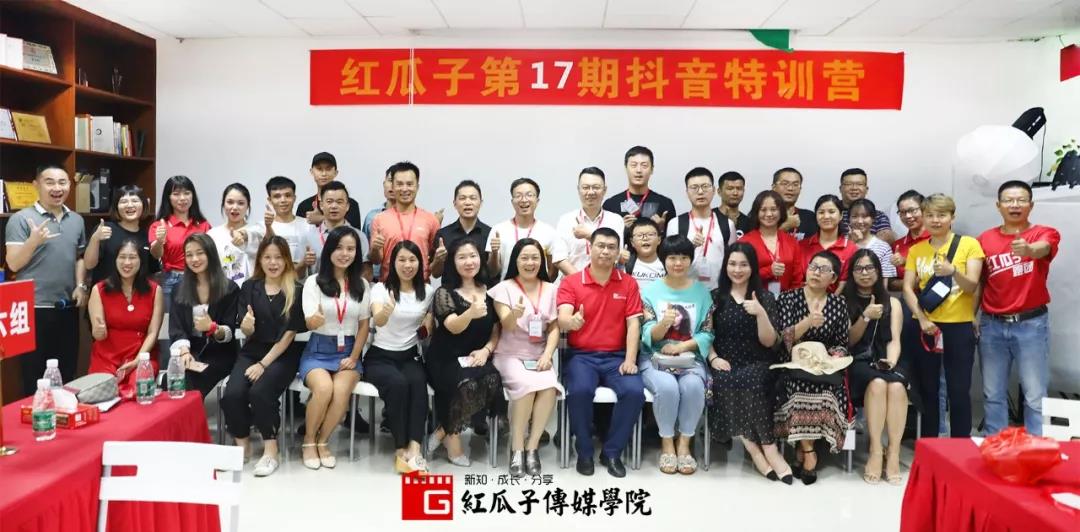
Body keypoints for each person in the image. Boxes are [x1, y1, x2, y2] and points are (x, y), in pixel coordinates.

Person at [557, 227, 644, 478]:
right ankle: (584, 451)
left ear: (618, 253)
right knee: (580, 391)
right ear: (590, 248)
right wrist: (571, 322)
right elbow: (562, 317)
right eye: (600, 246)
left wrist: (630, 359)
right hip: (582, 356)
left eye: (611, 247)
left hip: (617, 356)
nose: (605, 251)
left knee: (634, 392)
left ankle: (612, 452)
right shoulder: (572, 282)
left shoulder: (628, 283)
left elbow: (633, 324)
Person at [977, 180, 1059, 436]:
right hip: (991, 325)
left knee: (1035, 395)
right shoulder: (984, 239)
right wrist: (972, 316)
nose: (1015, 205)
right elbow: (981, 282)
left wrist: (1028, 249)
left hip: (1031, 325)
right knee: (992, 393)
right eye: (1009, 200)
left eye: (1021, 200)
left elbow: (1043, 249)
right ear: (998, 205)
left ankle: (1037, 448)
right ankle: (996, 445)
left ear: (1031, 205)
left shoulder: (1045, 233)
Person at [708, 242, 792, 484]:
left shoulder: (765, 297)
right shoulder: (715, 297)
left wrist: (760, 313)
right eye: (732, 264)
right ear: (725, 266)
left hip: (759, 361)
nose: (737, 270)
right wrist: (713, 358)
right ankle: (756, 451)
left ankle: (768, 448)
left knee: (752, 381)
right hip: (725, 361)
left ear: (753, 267)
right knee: (725, 381)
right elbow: (706, 334)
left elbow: (769, 342)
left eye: (743, 264)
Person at [222, 236, 306, 477]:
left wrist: (263, 364)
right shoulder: (250, 287)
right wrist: (247, 325)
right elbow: (245, 328)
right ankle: (243, 444)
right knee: (233, 394)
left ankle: (271, 450)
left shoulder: (296, 289)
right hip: (252, 350)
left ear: (287, 260)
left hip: (283, 354)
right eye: (267, 257)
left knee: (260, 392)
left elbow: (289, 335)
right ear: (259, 260)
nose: (273, 262)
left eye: (278, 257)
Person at [902, 194, 984, 438]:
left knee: (958, 389)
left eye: (941, 215)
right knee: (928, 389)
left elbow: (971, 286)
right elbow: (907, 288)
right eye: (930, 215)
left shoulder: (969, 244)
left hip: (959, 326)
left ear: (952, 217)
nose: (935, 220)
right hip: (926, 326)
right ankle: (930, 444)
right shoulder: (917, 250)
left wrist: (953, 271)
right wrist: (922, 318)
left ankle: (960, 445)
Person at [5, 165, 88, 394]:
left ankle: (64, 416)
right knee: (34, 378)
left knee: (67, 374)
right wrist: (33, 241)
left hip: (67, 307)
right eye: (49, 182)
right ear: (36, 185)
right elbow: (13, 264)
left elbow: (79, 258)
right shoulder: (21, 219)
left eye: (62, 182)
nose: (57, 188)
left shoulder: (77, 220)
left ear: (69, 185)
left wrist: (81, 285)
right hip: (33, 309)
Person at [774, 251, 851, 485]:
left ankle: (801, 447)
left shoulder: (838, 303)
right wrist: (808, 322)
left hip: (823, 366)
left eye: (823, 269)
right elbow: (782, 339)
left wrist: (833, 356)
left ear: (833, 278)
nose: (816, 272)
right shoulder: (788, 298)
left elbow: (842, 343)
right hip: (792, 363)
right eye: (813, 267)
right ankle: (809, 453)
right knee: (798, 388)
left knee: (828, 391)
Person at [638, 235, 713, 475]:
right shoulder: (650, 291)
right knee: (667, 387)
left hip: (690, 358)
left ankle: (685, 443)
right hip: (655, 358)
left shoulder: (702, 292)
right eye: (672, 258)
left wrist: (681, 347)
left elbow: (707, 333)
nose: (678, 263)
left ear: (690, 260)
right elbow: (646, 333)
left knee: (693, 386)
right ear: (663, 260)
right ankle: (667, 442)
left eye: (683, 257)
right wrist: (664, 324)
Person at [298, 226, 370, 470]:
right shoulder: (313, 282)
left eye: (350, 249)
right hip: (318, 349)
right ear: (329, 250)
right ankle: (309, 441)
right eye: (339, 248)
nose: (344, 253)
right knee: (323, 388)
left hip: (349, 350)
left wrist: (354, 357)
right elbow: (309, 321)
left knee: (340, 392)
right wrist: (314, 320)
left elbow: (363, 326)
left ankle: (323, 441)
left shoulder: (361, 285)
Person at [489, 238, 563, 477]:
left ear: (541, 261)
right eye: (524, 258)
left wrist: (548, 354)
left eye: (535, 258)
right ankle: (517, 447)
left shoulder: (551, 289)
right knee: (528, 387)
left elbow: (554, 328)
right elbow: (507, 325)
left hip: (539, 354)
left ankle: (532, 447)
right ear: (515, 261)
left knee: (549, 387)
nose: (530, 263)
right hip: (509, 354)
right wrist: (514, 313)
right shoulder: (503, 288)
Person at [425, 240, 502, 466]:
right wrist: (470, 313)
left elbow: (496, 330)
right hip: (445, 356)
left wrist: (486, 350)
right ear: (453, 262)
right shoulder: (444, 292)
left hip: (476, 355)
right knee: (464, 382)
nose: (469, 262)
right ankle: (453, 439)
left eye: (473, 256)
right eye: (462, 257)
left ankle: (442, 431)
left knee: (492, 378)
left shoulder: (491, 291)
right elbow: (452, 327)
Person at [366, 240, 435, 474]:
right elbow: (378, 320)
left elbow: (426, 328)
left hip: (409, 355)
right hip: (380, 357)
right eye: (402, 260)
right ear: (392, 263)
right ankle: (400, 449)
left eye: (412, 260)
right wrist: (385, 312)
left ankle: (415, 449)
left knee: (417, 383)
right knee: (397, 384)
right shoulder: (380, 289)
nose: (407, 265)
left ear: (420, 263)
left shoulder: (427, 292)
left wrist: (427, 326)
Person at [843, 249, 907, 485]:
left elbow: (894, 340)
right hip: (856, 362)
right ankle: (876, 450)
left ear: (879, 271)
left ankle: (894, 452)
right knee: (878, 383)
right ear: (852, 273)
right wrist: (866, 316)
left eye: (869, 267)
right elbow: (849, 341)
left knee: (897, 386)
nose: (865, 273)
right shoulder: (844, 301)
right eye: (859, 268)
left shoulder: (893, 303)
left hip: (886, 359)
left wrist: (891, 361)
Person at [168, 233, 240, 399]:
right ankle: (184, 415)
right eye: (189, 255)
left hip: (219, 353)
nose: (195, 259)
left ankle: (189, 415)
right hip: (190, 350)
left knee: (191, 382)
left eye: (200, 253)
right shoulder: (178, 289)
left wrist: (212, 328)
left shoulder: (229, 289)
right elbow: (177, 327)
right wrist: (184, 352)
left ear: (210, 254)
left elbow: (229, 332)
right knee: (173, 380)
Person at [88, 239, 164, 394]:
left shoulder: (155, 290)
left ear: (141, 260)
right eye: (122, 257)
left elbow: (153, 333)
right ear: (115, 260)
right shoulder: (99, 289)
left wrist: (138, 360)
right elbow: (97, 334)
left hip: (141, 356)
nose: (127, 262)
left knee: (136, 392)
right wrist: (98, 331)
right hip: (106, 358)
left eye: (132, 257)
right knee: (103, 394)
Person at [149, 175, 212, 313]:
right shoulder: (159, 225)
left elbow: (211, 254)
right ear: (168, 197)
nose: (182, 198)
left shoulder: (203, 224)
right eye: (176, 194)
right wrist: (160, 240)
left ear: (193, 196)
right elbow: (156, 254)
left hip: (199, 279)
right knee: (171, 323)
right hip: (171, 280)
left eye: (187, 193)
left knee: (199, 321)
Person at [667, 167, 736, 288]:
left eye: (705, 186)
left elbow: (733, 260)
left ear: (713, 190)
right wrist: (690, 246)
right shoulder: (675, 224)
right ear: (687, 192)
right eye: (694, 187)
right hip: (685, 290)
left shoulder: (727, 224)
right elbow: (669, 260)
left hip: (718, 290)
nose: (700, 192)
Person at [370, 161, 440, 282]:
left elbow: (435, 262)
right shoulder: (379, 219)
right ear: (392, 187)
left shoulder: (431, 220)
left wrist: (439, 258)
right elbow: (376, 260)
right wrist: (375, 249)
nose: (404, 189)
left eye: (409, 184)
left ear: (417, 186)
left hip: (421, 286)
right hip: (389, 285)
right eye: (399, 184)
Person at [84, 185, 159, 287]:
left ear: (144, 205)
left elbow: (153, 271)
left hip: (136, 294)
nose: (130, 205)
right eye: (124, 202)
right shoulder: (105, 229)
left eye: (135, 201)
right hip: (105, 292)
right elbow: (89, 264)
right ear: (116, 207)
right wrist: (95, 239)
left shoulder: (147, 235)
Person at [554, 167, 624, 276]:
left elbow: (617, 255)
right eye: (585, 187)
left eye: (596, 187)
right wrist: (581, 281)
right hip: (573, 283)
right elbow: (559, 258)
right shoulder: (566, 220)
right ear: (578, 189)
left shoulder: (615, 220)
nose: (591, 192)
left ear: (605, 190)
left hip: (606, 283)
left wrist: (590, 235)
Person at [486, 177, 559, 280]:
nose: (524, 200)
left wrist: (541, 288)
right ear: (512, 201)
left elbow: (553, 272)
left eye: (529, 195)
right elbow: (492, 272)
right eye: (518, 196)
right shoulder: (498, 230)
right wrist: (494, 252)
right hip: (507, 288)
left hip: (538, 289)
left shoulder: (549, 232)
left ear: (537, 200)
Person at [739, 191, 804, 294]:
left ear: (781, 212)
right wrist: (769, 271)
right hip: (753, 298)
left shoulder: (791, 242)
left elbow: (797, 278)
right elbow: (739, 275)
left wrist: (790, 299)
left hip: (786, 300)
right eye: (763, 210)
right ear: (756, 212)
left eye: (773, 209)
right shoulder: (744, 242)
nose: (769, 214)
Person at [603, 146, 677, 234]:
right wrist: (620, 229)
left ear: (652, 169)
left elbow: (673, 241)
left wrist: (661, 230)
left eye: (644, 165)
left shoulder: (665, 204)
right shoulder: (610, 205)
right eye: (633, 165)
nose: (638, 170)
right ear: (626, 168)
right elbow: (603, 238)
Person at [305, 181, 371, 279]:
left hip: (349, 287)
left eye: (339, 202)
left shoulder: (359, 236)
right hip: (318, 287)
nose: (334, 206)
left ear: (347, 206)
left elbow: (366, 271)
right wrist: (304, 263)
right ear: (321, 205)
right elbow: (299, 275)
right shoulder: (309, 236)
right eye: (329, 201)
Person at [431, 180, 492, 281]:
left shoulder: (490, 233)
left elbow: (493, 272)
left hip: (482, 289)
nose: (467, 202)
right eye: (462, 198)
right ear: (455, 204)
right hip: (450, 290)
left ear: (481, 203)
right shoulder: (443, 234)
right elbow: (435, 274)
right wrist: (438, 259)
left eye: (473, 198)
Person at [207, 183, 268, 286]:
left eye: (241, 203)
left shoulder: (257, 231)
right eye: (230, 202)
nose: (235, 207)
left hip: (252, 289)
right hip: (221, 289)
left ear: (248, 206)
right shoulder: (212, 234)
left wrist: (244, 235)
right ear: (223, 204)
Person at [799, 194, 858, 290]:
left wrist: (832, 299)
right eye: (821, 212)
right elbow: (797, 280)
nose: (826, 216)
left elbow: (846, 283)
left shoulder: (851, 248)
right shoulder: (802, 246)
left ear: (841, 215)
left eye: (831, 212)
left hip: (838, 298)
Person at [265, 176, 318, 275]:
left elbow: (315, 261)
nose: (283, 200)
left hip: (301, 283)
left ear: (294, 198)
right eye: (277, 196)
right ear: (270, 200)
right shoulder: (263, 227)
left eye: (288, 195)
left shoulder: (308, 225)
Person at [296, 152, 363, 228]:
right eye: (319, 169)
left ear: (336, 172)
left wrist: (321, 219)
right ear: (312, 172)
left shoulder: (351, 204)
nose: (324, 174)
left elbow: (354, 232)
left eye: (328, 169)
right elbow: (299, 232)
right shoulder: (304, 206)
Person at [838, 168, 896, 244]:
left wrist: (859, 244)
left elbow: (886, 237)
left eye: (859, 184)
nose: (854, 188)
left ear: (866, 189)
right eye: (848, 184)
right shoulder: (831, 213)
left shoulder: (878, 216)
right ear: (840, 189)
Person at [889, 190, 930, 293]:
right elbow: (890, 284)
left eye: (912, 210)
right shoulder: (897, 245)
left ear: (924, 209)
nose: (907, 216)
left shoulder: (937, 239)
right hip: (907, 299)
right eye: (902, 212)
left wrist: (906, 263)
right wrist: (912, 284)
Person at [848, 199, 897, 280]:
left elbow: (884, 282)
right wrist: (850, 244)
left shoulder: (884, 247)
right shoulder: (842, 244)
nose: (860, 221)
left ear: (873, 219)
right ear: (849, 219)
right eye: (854, 216)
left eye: (864, 216)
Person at [362, 167, 394, 280]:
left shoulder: (416, 218)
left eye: (397, 182)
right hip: (376, 279)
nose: (392, 186)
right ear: (384, 184)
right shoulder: (371, 216)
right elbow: (364, 252)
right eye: (390, 180)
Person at [772, 167, 817, 241]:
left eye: (795, 184)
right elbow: (756, 243)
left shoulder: (810, 217)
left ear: (800, 189)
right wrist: (784, 227)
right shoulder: (763, 215)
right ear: (774, 187)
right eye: (785, 183)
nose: (790, 188)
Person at [624, 218, 666, 289]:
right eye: (639, 235)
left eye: (650, 234)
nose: (645, 238)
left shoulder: (668, 264)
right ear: (632, 242)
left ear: (659, 240)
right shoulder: (625, 264)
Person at [717, 171, 750, 237]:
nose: (735, 193)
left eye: (739, 189)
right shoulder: (709, 217)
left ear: (744, 191)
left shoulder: (749, 223)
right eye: (730, 189)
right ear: (719, 191)